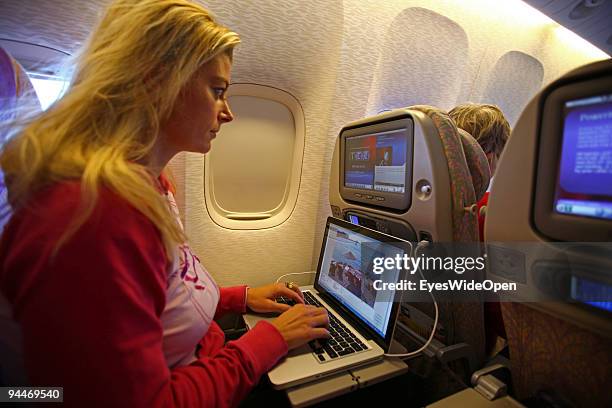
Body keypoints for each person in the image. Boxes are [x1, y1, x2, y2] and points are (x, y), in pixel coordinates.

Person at [0, 1, 329, 407]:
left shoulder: (149, 184)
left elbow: (157, 299)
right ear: (158, 80)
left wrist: (237, 299)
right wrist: (267, 342)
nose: (228, 113)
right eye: (217, 90)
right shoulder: (92, 215)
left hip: (203, 361)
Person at [448, 103, 511, 356]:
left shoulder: (429, 207)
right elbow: (503, 316)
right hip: (480, 340)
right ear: (487, 158)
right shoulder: (493, 211)